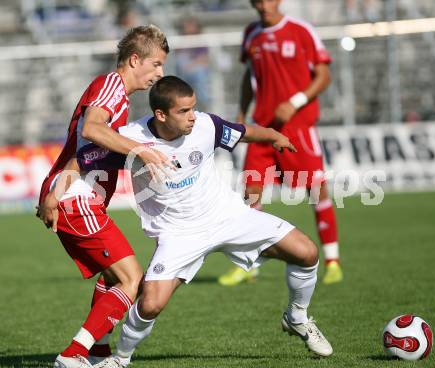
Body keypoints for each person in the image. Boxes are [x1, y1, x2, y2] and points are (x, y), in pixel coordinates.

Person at [80, 76, 333, 367]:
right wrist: (55, 191)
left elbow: (244, 132)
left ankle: (297, 318)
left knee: (307, 252)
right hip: (178, 234)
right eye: (183, 111)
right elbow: (83, 158)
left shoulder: (205, 125)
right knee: (150, 304)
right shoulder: (129, 138)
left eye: (193, 108)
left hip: (228, 216)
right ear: (160, 114)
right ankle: (120, 359)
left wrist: (274, 136)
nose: (192, 117)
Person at [36, 25, 170, 368]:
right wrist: (141, 150)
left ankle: (97, 352)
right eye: (155, 64)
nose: (160, 73)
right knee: (131, 278)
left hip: (72, 196)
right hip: (77, 200)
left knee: (112, 277)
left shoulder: (115, 96)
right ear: (134, 59)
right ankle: (74, 353)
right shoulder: (112, 86)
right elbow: (94, 130)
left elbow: (83, 151)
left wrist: (53, 190)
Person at [218, 0, 342, 286]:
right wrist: (240, 113)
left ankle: (333, 261)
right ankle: (250, 265)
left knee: (316, 190)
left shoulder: (301, 31)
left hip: (297, 127)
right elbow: (250, 77)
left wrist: (295, 102)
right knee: (250, 193)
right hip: (262, 128)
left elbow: (324, 76)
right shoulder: (251, 34)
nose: (263, 5)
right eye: (257, 0)